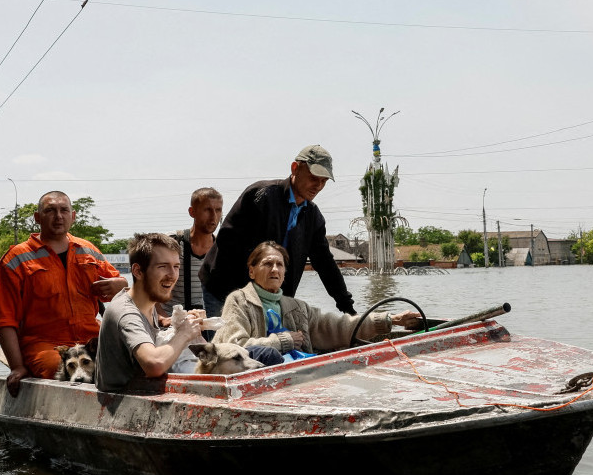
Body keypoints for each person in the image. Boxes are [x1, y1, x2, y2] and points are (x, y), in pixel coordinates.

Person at [0, 191, 128, 397]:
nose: (58, 216)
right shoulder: (16, 259)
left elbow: (121, 292)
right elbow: (4, 321)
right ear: (37, 218)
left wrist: (122, 283)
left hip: (92, 338)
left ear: (73, 216)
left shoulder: (88, 250)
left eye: (64, 210)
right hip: (44, 345)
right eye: (50, 211)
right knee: (59, 370)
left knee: (131, 359)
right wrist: (17, 367)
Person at [199, 144, 356, 318]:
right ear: (295, 168)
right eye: (313, 178)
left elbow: (325, 263)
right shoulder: (261, 195)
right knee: (225, 343)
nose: (318, 186)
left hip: (270, 298)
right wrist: (252, 291)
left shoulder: (313, 217)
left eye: (323, 181)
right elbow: (227, 240)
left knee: (265, 343)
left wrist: (346, 306)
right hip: (224, 289)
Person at [213, 242, 420, 360]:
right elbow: (234, 348)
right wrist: (282, 342)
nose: (275, 269)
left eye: (280, 264)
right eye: (267, 264)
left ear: (285, 272)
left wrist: (390, 320)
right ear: (252, 270)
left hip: (300, 375)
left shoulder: (297, 308)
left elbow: (340, 326)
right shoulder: (239, 301)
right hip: (259, 381)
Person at [97, 233, 203, 390]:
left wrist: (193, 329)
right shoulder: (125, 312)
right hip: (123, 404)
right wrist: (185, 333)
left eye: (176, 267)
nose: (173, 276)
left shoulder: (147, 305)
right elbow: (154, 364)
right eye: (162, 267)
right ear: (138, 271)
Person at [160, 187, 223, 316]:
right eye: (207, 210)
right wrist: (163, 319)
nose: (214, 216)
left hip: (207, 327)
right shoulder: (171, 241)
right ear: (192, 211)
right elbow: (147, 284)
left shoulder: (222, 249)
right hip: (172, 325)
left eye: (218, 210)